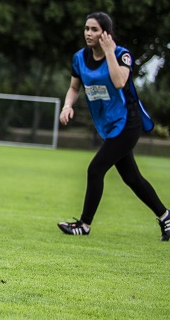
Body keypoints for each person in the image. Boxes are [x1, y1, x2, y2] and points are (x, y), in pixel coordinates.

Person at [57, 12, 169, 241]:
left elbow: (119, 81)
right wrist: (67, 106)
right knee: (132, 178)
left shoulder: (121, 54)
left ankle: (84, 225)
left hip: (127, 122)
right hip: (108, 125)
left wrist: (109, 52)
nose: (89, 33)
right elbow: (74, 88)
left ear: (105, 33)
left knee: (95, 169)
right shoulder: (79, 58)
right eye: (87, 28)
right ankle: (166, 216)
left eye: (94, 29)